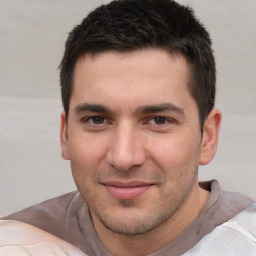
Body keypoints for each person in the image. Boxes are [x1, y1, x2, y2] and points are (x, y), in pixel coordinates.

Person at [2, 0, 256, 255]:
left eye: (158, 120)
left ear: (207, 138)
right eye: (97, 119)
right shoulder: (14, 246)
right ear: (65, 134)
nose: (123, 158)